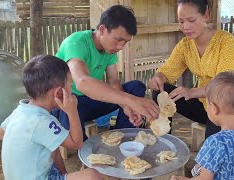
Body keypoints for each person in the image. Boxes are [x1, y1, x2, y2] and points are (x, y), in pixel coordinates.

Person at [54, 5, 159, 139]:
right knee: (78, 138)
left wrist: (127, 107)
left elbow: (114, 82)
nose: (120, 47)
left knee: (136, 87)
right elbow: (82, 82)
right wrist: (132, 101)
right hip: (70, 104)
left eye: (125, 42)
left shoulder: (109, 49)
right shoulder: (76, 43)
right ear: (103, 29)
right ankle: (86, 148)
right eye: (118, 39)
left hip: (92, 101)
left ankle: (120, 138)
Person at [149, 0, 234, 139]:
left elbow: (225, 88)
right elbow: (167, 71)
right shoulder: (185, 46)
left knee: (211, 148)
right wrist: (159, 77)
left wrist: (191, 92)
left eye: (191, 20)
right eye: (181, 21)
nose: (186, 27)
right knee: (160, 91)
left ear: (206, 15)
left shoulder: (226, 41)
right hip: (204, 106)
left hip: (230, 109)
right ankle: (164, 141)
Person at [0, 55, 102, 180]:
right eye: (70, 86)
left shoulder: (21, 110)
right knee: (93, 175)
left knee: (52, 146)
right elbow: (77, 144)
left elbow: (0, 133)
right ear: (58, 93)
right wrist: (72, 111)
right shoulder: (43, 121)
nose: (71, 91)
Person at [171, 71, 234, 180]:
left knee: (197, 170)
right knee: (198, 169)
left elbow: (205, 179)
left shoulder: (215, 142)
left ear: (214, 108)